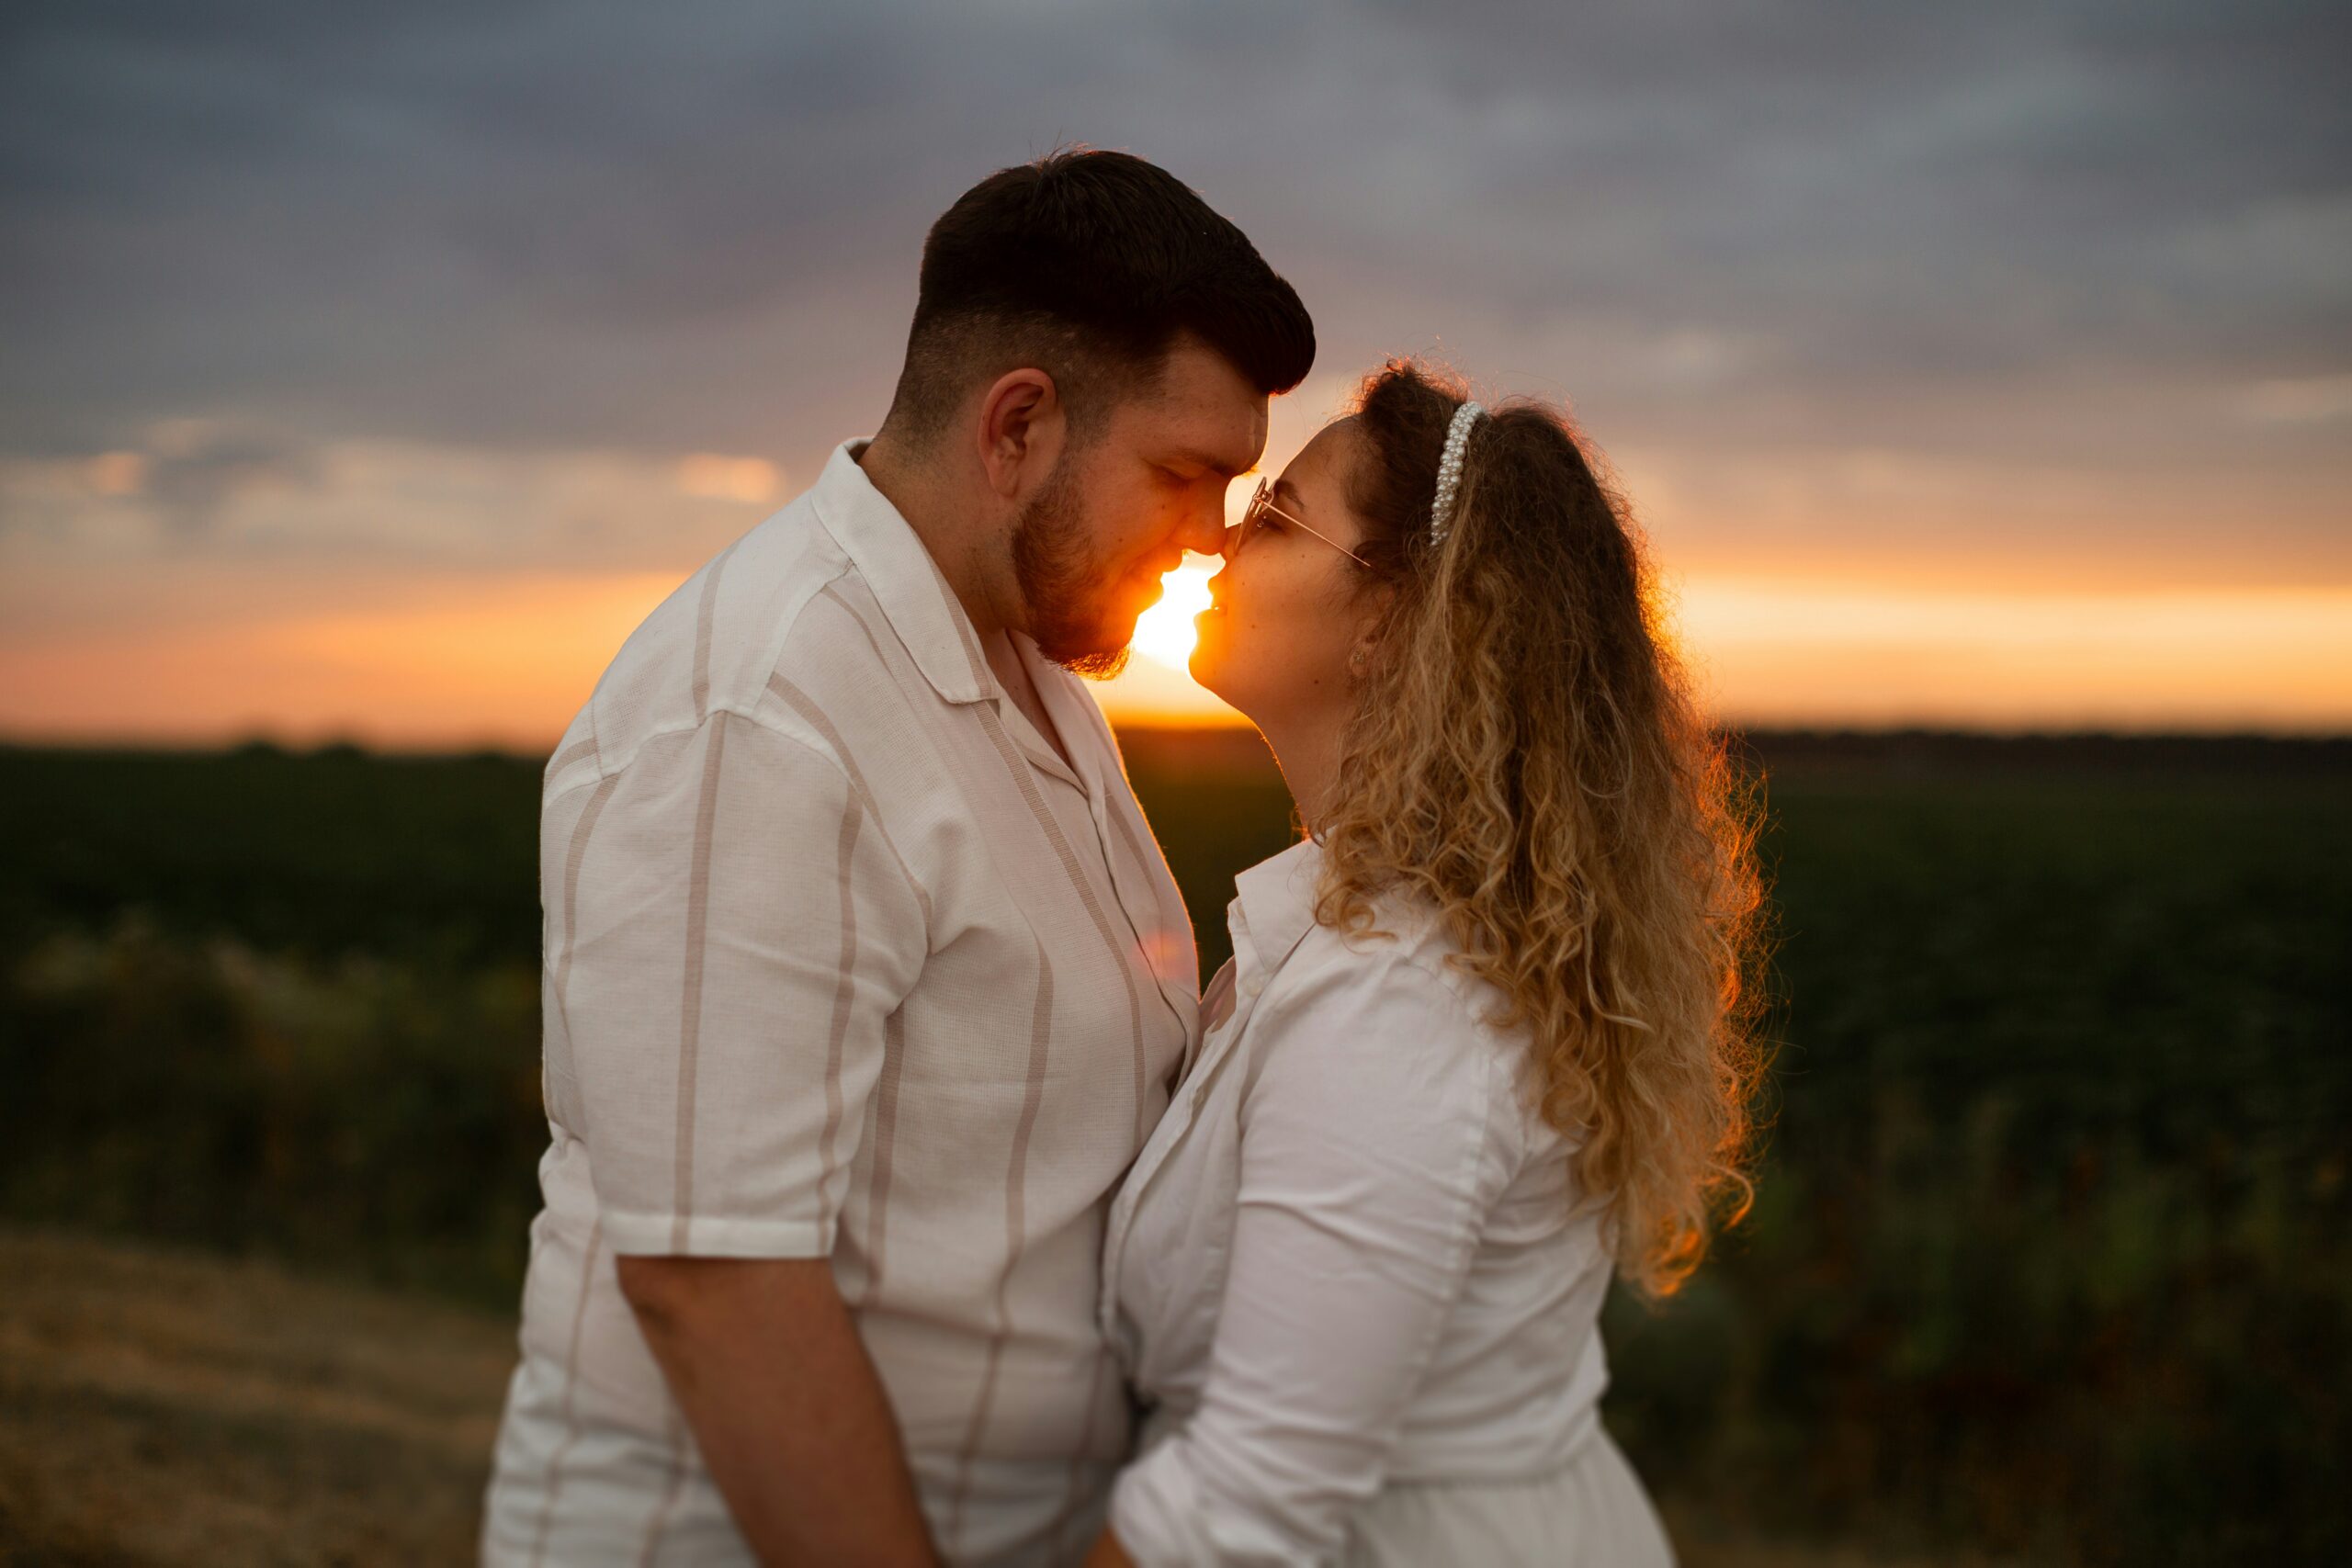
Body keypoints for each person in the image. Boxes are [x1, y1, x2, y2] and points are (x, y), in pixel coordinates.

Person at [480, 150, 1314, 1567]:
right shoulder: (762, 714)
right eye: (1184, 476)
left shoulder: (1038, 668)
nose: (1209, 539)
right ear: (1017, 427)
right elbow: (713, 1280)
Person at [1084, 362, 1770, 1566]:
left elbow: (1240, 1513)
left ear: (1389, 622)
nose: (1220, 542)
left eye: (1276, 517)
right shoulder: (1374, 936)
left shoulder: (1399, 1000)